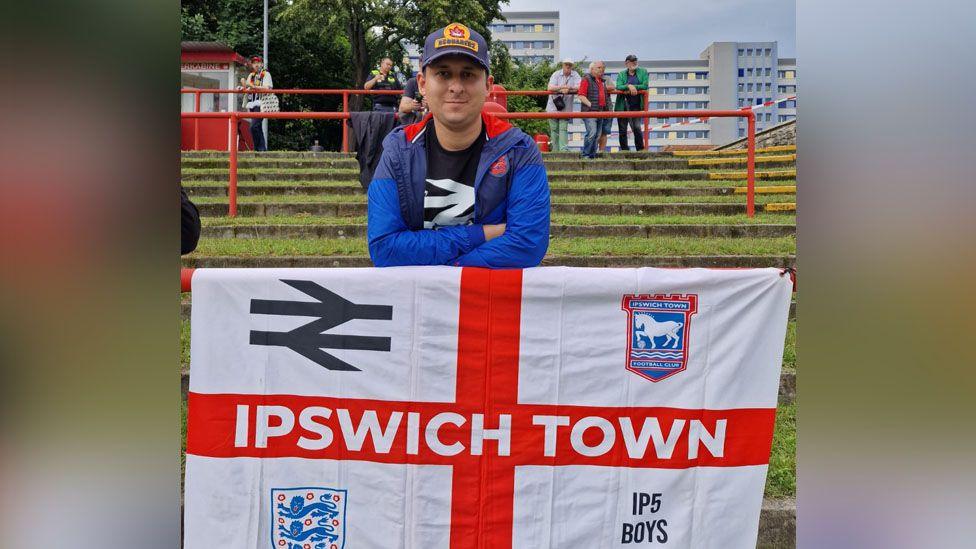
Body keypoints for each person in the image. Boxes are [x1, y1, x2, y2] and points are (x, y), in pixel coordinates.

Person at [366, 23, 550, 268]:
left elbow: (528, 244)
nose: (456, 87)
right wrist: (481, 235)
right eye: (443, 73)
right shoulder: (398, 150)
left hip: (490, 302)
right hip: (418, 303)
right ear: (422, 84)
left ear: (487, 85)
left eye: (468, 74)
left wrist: (448, 271)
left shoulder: (520, 150)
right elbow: (384, 249)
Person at [578, 60, 614, 159]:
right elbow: (581, 95)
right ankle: (586, 155)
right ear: (592, 69)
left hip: (601, 112)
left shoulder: (601, 81)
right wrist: (591, 105)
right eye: (599, 67)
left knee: (597, 135)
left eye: (602, 68)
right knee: (592, 133)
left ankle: (592, 155)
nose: (601, 70)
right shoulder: (586, 79)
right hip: (590, 112)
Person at [545, 59, 581, 152]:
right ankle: (556, 150)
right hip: (553, 106)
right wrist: (561, 88)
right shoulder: (556, 74)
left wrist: (569, 88)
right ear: (563, 65)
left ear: (572, 66)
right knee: (554, 129)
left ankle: (563, 150)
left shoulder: (575, 75)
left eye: (570, 64)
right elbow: (550, 87)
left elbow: (580, 86)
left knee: (563, 128)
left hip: (566, 107)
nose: (568, 66)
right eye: (566, 64)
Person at [614, 54, 648, 151]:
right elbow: (618, 86)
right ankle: (625, 150)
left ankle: (640, 150)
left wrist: (634, 87)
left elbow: (645, 85)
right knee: (622, 130)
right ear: (626, 63)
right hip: (622, 105)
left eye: (635, 60)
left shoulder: (643, 71)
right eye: (632, 61)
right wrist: (628, 86)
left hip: (636, 105)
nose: (634, 63)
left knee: (637, 128)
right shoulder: (621, 74)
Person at [240, 56, 273, 151]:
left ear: (262, 64)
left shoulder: (266, 74)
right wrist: (242, 87)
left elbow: (267, 88)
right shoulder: (251, 75)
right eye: (254, 63)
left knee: (253, 126)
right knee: (257, 127)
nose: (256, 64)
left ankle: (259, 149)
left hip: (262, 103)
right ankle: (261, 149)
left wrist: (253, 86)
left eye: (258, 62)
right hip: (252, 103)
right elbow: (248, 88)